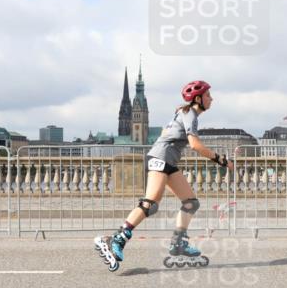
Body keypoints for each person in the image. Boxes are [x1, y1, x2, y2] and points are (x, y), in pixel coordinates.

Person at [94, 80, 233, 271]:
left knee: (191, 202)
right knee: (149, 204)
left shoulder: (187, 113)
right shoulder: (189, 114)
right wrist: (221, 160)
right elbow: (195, 145)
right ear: (198, 98)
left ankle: (179, 243)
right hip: (160, 159)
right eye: (208, 95)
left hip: (168, 162)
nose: (212, 98)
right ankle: (115, 239)